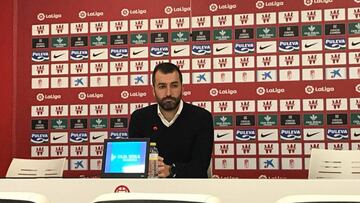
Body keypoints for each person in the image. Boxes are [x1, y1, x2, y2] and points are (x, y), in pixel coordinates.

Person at [128, 62, 214, 178]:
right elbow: (134, 165)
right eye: (162, 86)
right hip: (150, 190)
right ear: (153, 90)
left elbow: (200, 167)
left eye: (174, 85)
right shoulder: (139, 118)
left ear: (182, 88)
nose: (168, 93)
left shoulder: (202, 118)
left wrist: (171, 170)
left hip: (191, 191)